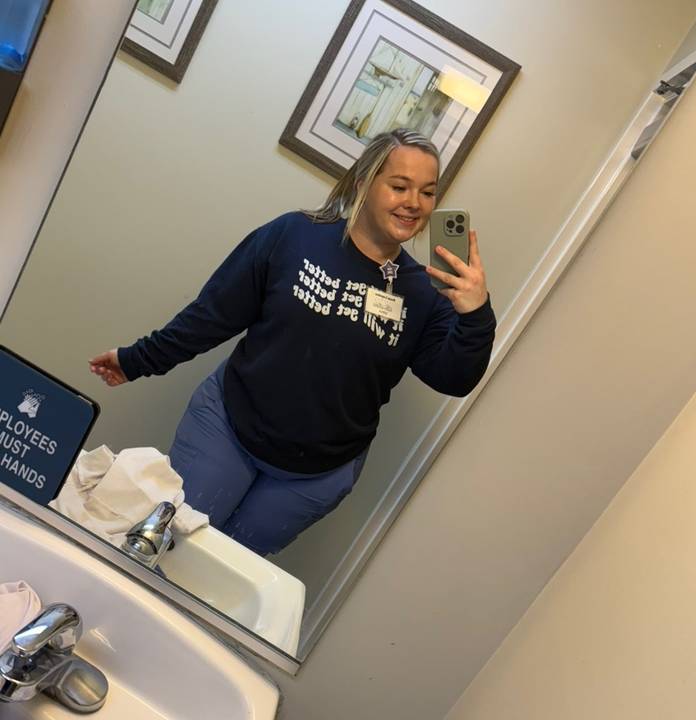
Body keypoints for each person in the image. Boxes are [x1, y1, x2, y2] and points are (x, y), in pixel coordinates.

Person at [88, 128, 496, 556]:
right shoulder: (295, 234)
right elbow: (214, 313)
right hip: (228, 427)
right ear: (364, 182)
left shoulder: (425, 292)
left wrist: (476, 313)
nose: (414, 202)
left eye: (428, 192)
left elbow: (454, 378)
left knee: (214, 574)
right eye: (399, 186)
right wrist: (137, 359)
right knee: (163, 548)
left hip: (314, 476)